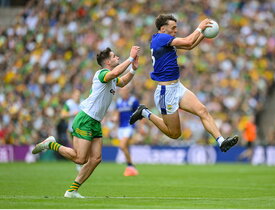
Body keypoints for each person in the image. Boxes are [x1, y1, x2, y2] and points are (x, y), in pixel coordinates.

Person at [32, 46, 140, 198]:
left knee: (96, 159)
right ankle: (51, 144)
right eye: (114, 56)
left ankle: (72, 191)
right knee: (80, 159)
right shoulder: (102, 73)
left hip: (95, 121)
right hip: (86, 118)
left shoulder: (112, 77)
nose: (117, 58)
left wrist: (133, 70)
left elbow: (122, 81)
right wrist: (130, 59)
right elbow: (116, 73)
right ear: (108, 61)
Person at [130, 14, 238, 152]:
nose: (176, 30)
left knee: (202, 110)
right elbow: (187, 42)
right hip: (166, 92)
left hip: (177, 87)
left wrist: (204, 34)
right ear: (163, 29)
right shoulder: (161, 38)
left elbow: (189, 46)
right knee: (175, 134)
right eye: (173, 28)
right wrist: (199, 28)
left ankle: (221, 141)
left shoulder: (164, 39)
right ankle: (145, 113)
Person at [114, 86, 140, 176]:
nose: (122, 92)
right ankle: (131, 168)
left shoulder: (133, 101)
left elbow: (139, 112)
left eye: (124, 90)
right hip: (121, 127)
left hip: (130, 126)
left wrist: (140, 126)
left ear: (128, 91)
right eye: (121, 90)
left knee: (122, 146)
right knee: (126, 148)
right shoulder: (118, 102)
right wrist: (114, 119)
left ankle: (130, 165)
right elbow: (117, 114)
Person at [60, 89, 82, 171]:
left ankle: (80, 163)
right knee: (76, 148)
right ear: (72, 96)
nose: (78, 97)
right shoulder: (69, 103)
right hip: (72, 129)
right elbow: (62, 115)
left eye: (79, 95)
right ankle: (79, 164)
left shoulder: (83, 102)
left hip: (82, 128)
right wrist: (72, 114)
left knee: (82, 147)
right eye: (76, 95)